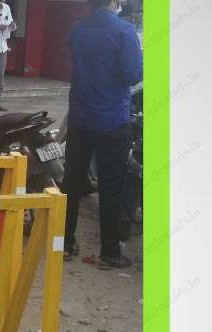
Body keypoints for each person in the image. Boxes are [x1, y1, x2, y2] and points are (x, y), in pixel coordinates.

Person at [62, 0, 142, 268]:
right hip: (112, 120)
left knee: (72, 182)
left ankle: (63, 243)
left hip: (80, 117)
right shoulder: (125, 31)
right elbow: (132, 75)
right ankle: (109, 251)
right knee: (110, 187)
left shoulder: (77, 29)